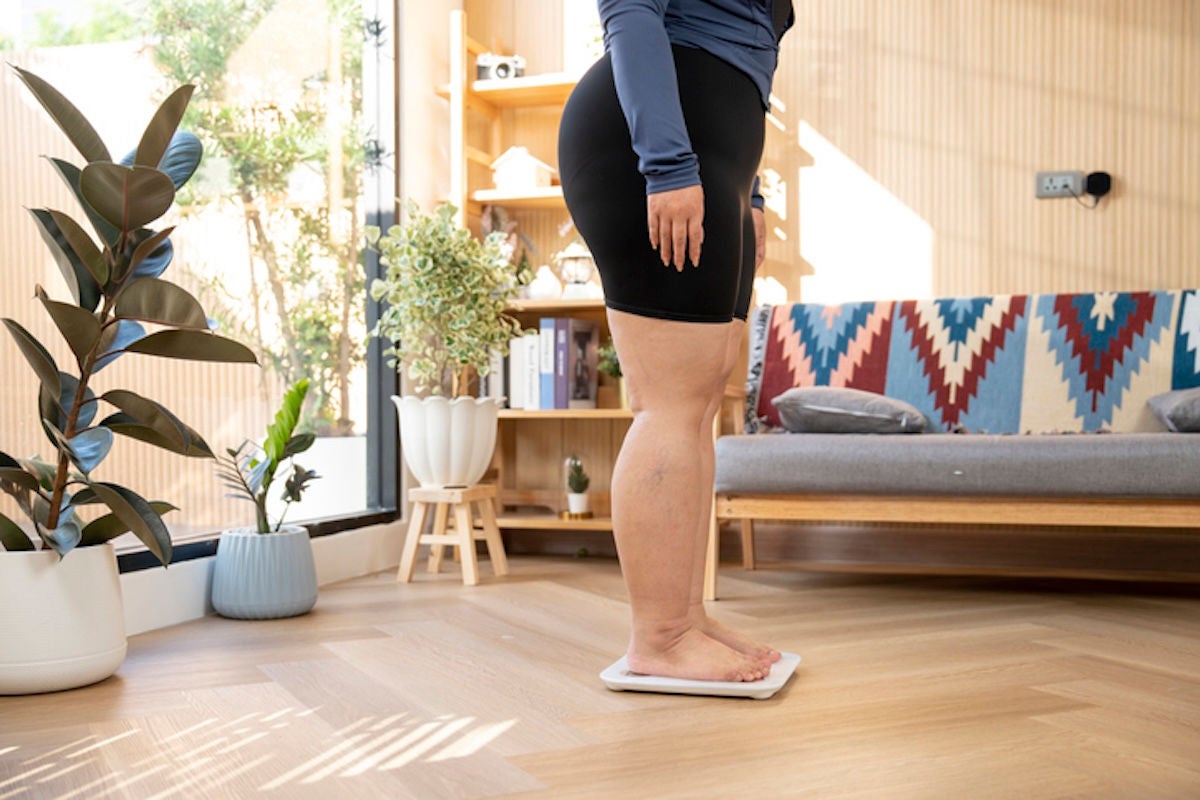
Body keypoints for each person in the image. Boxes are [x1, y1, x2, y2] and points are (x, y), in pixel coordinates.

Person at [558, 0, 794, 683]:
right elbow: (630, 11)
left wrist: (746, 197)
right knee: (668, 400)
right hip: (655, 151)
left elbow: (743, 62)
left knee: (701, 397)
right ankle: (657, 636)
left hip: (714, 159)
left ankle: (684, 617)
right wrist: (666, 165)